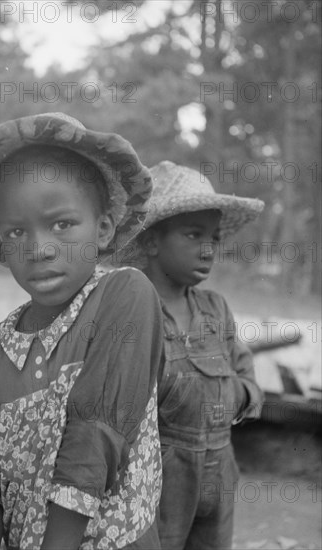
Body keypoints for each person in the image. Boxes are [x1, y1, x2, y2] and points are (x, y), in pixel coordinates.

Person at [0, 112, 165, 550]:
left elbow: (96, 431)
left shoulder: (125, 296)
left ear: (102, 229)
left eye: (62, 224)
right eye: (17, 231)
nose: (39, 248)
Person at [125, 160, 265, 550]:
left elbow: (249, 383)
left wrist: (235, 396)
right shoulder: (134, 312)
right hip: (158, 476)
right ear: (151, 241)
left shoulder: (215, 310)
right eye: (193, 234)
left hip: (220, 472)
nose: (208, 249)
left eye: (214, 238)